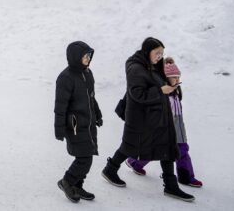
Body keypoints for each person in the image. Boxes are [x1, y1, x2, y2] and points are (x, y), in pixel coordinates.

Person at [101, 37, 194, 202]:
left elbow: (160, 79)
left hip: (158, 117)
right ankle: (110, 170)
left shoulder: (152, 66)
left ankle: (171, 186)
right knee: (129, 146)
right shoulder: (136, 68)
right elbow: (138, 94)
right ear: (147, 51)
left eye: (162, 53)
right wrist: (161, 91)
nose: (160, 56)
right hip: (141, 118)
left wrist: (169, 77)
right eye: (157, 53)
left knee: (167, 147)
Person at [125, 57, 202, 187]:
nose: (178, 80)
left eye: (178, 77)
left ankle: (186, 177)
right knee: (156, 150)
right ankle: (134, 162)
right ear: (166, 79)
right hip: (162, 127)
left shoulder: (176, 91)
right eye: (174, 77)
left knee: (182, 150)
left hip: (178, 127)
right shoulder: (161, 94)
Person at [54, 41, 103, 202]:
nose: (88, 58)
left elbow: (91, 97)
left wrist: (98, 114)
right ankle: (67, 181)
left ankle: (77, 185)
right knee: (84, 158)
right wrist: (59, 129)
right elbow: (60, 106)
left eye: (90, 55)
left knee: (87, 153)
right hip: (74, 125)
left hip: (88, 123)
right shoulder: (65, 78)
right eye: (85, 56)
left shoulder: (88, 73)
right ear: (75, 57)